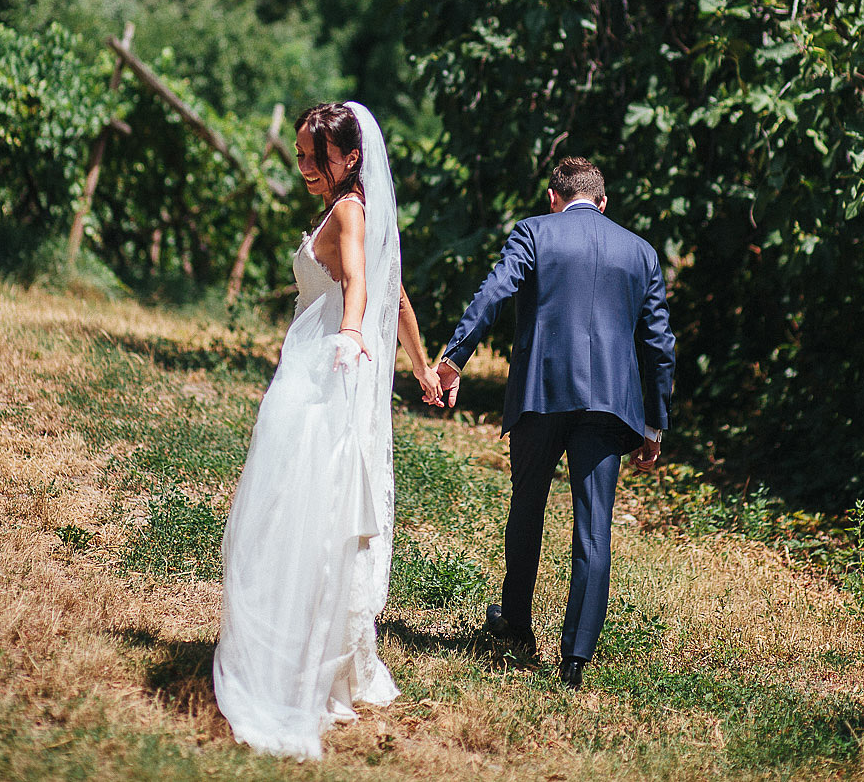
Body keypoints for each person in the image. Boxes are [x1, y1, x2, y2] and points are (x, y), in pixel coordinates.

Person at [214, 101, 442, 759]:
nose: (305, 168)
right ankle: (318, 649)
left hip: (322, 377)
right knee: (296, 510)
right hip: (310, 372)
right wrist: (422, 366)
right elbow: (395, 293)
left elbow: (368, 293)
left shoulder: (349, 211)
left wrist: (348, 334)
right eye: (301, 157)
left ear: (349, 158)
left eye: (315, 158)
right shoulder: (344, 209)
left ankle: (298, 658)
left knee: (300, 513)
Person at [436, 156, 675, 691]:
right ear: (604, 202)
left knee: (527, 507)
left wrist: (455, 357)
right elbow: (659, 344)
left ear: (553, 197)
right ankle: (575, 660)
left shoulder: (534, 233)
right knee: (594, 528)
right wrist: (654, 425)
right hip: (612, 405)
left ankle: (517, 628)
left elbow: (494, 291)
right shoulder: (641, 252)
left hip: (542, 394)